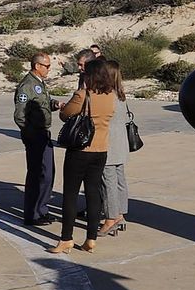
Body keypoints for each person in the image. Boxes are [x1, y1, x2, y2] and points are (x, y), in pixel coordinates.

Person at [50, 60, 116, 254]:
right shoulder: (110, 96)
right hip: (101, 149)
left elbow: (65, 114)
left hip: (80, 150)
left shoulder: (82, 95)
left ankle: (66, 238)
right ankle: (91, 238)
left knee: (70, 194)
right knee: (93, 193)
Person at [13, 51, 59, 226]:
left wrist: (56, 105)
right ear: (37, 66)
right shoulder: (27, 85)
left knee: (47, 174)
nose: (49, 69)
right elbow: (20, 115)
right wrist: (29, 135)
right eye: (46, 66)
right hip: (35, 135)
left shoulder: (39, 83)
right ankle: (32, 214)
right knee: (36, 175)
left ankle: (42, 209)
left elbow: (43, 104)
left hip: (43, 133)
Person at [98, 58, 133, 237]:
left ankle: (111, 218)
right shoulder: (121, 94)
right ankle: (120, 213)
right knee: (120, 180)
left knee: (108, 182)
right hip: (121, 144)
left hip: (108, 144)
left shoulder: (105, 95)